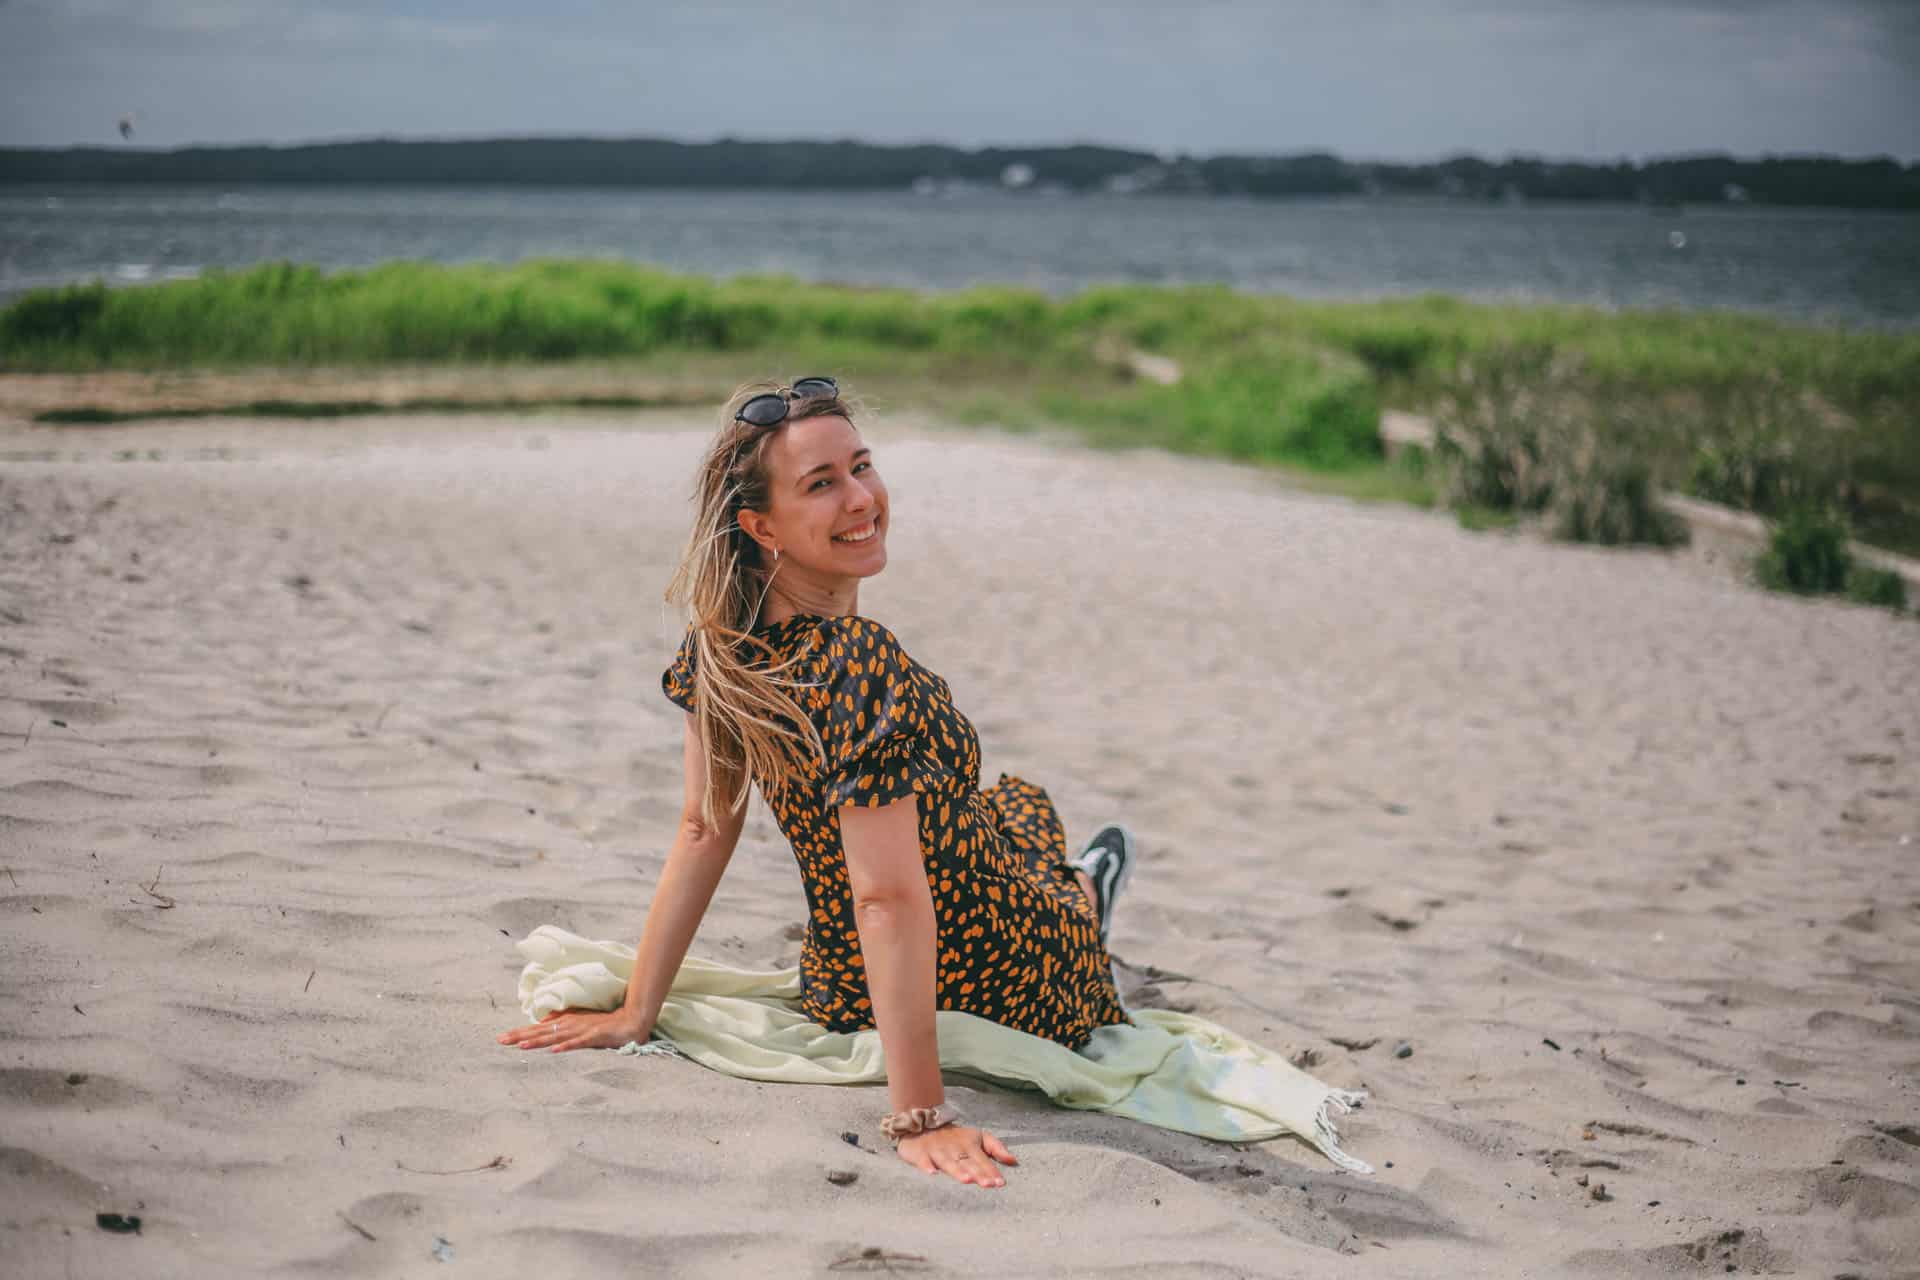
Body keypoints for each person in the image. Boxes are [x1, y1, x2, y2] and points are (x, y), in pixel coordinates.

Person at [497, 377, 1139, 1190]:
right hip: (1011, 982)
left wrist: (637, 1013)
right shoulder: (858, 662)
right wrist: (922, 1117)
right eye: (822, 484)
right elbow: (887, 899)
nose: (861, 498)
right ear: (760, 526)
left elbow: (702, 830)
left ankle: (1077, 877)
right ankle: (1089, 894)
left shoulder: (720, 656)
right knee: (1034, 831)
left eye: (861, 467)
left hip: (843, 989)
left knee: (1012, 812)